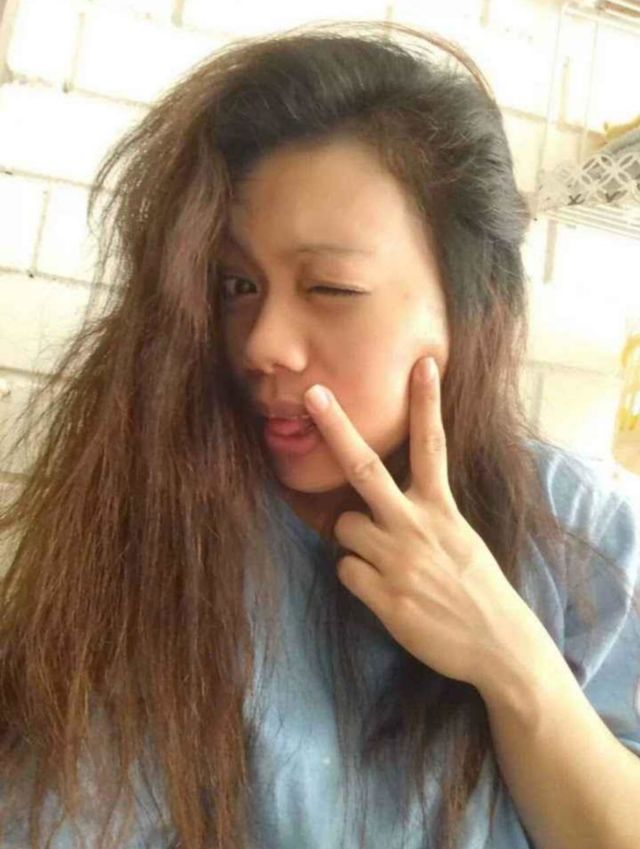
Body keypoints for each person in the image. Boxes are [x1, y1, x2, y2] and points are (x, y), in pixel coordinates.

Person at [0, 19, 638, 849]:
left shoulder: (587, 535)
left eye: (330, 288)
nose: (262, 344)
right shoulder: (162, 509)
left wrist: (514, 662)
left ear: (472, 307)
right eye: (237, 285)